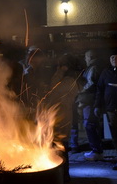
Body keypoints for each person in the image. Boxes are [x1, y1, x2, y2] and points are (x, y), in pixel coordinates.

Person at [47, 53, 80, 182]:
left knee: (60, 146)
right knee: (58, 145)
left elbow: (55, 91)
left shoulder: (68, 81)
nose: (57, 68)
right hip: (60, 114)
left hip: (62, 115)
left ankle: (63, 176)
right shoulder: (69, 79)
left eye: (60, 66)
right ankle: (63, 176)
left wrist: (58, 74)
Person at [76, 49, 105, 161]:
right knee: (91, 124)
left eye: (86, 57)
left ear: (90, 57)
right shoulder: (94, 67)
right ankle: (96, 150)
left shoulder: (93, 68)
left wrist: (80, 90)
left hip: (90, 100)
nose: (85, 59)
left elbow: (91, 84)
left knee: (89, 124)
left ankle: (96, 151)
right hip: (91, 100)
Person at [19, 46, 50, 119]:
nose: (31, 60)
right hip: (29, 104)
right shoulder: (26, 71)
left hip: (40, 104)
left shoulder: (43, 72)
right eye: (31, 58)